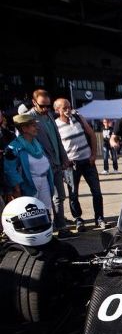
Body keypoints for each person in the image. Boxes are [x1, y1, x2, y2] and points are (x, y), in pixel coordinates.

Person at [53, 98, 106, 231]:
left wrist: (93, 155)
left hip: (88, 161)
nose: (67, 110)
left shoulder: (78, 118)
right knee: (73, 194)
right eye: (64, 108)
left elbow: (92, 135)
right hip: (71, 165)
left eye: (69, 107)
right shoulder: (55, 125)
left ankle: (99, 218)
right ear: (57, 110)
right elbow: (56, 147)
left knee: (97, 192)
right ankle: (78, 219)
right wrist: (64, 161)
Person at [27, 89, 73, 238]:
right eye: (42, 106)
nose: (46, 109)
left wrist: (64, 157)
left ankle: (61, 226)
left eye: (48, 106)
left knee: (60, 196)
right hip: (42, 166)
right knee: (47, 199)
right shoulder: (29, 119)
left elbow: (57, 139)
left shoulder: (49, 116)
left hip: (57, 163)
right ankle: (51, 228)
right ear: (34, 102)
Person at [4, 115, 55, 216]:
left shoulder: (37, 144)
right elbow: (10, 169)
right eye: (33, 125)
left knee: (46, 210)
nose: (37, 127)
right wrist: (17, 187)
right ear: (24, 128)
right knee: (33, 212)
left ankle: (48, 230)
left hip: (44, 181)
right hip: (29, 185)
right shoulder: (13, 147)